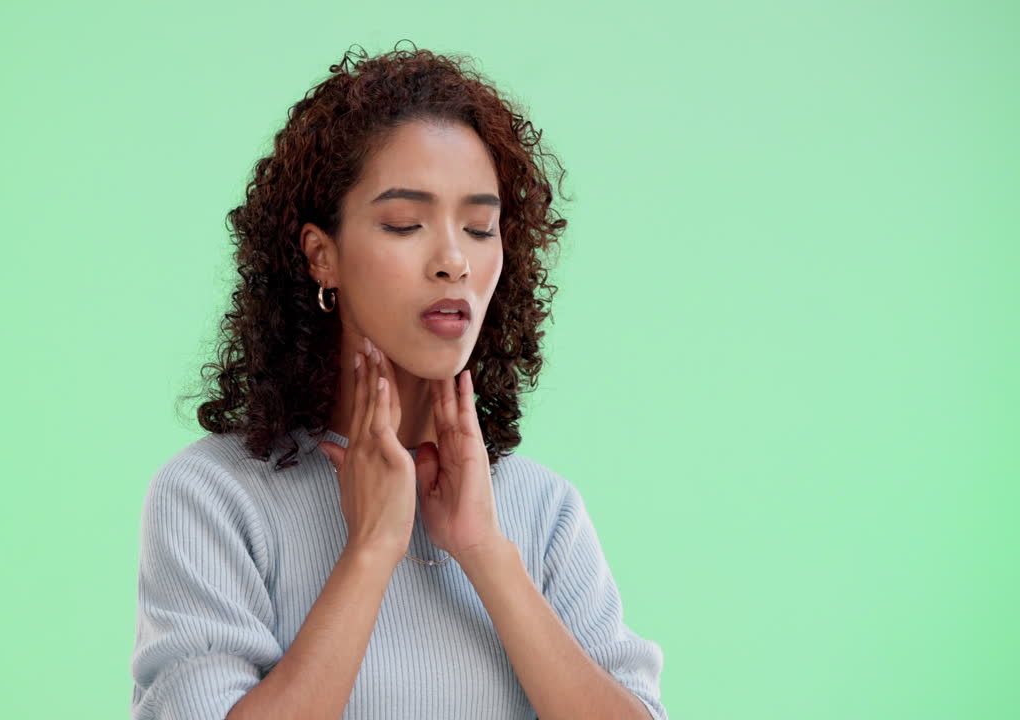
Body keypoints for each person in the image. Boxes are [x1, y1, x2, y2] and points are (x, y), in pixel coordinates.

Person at [129, 41, 667, 720]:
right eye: (405, 223)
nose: (453, 262)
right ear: (322, 257)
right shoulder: (216, 498)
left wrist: (485, 554)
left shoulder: (542, 511)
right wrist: (371, 550)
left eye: (479, 228)